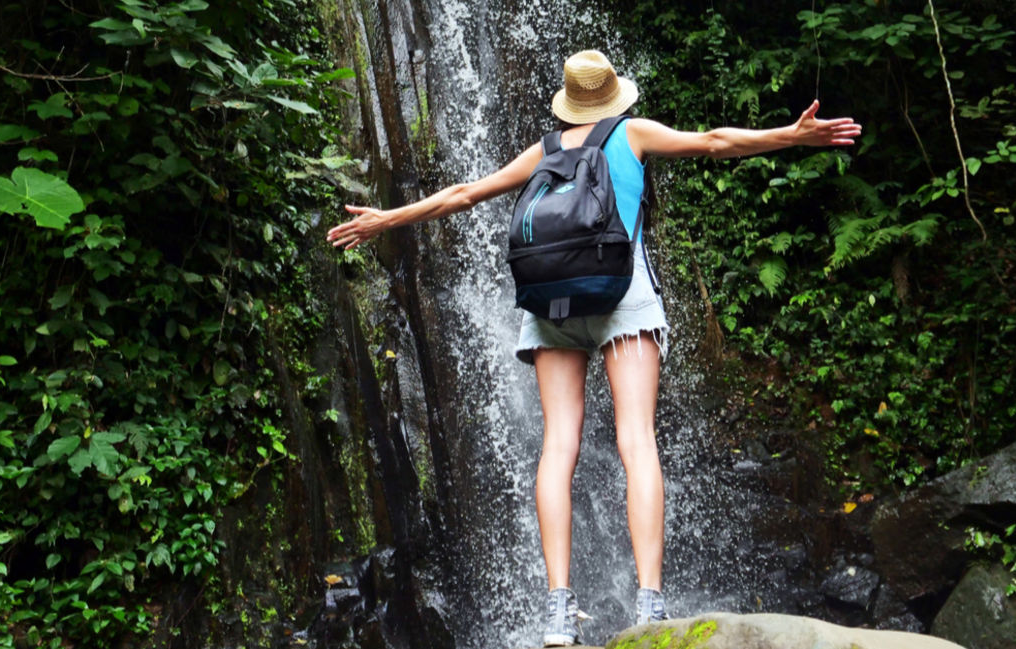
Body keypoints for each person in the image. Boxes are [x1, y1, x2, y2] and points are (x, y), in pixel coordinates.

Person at [327, 49, 861, 647]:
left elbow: (463, 194)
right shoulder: (632, 132)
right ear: (613, 94)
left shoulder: (546, 151)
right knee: (637, 439)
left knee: (558, 446)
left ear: (568, 100)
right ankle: (650, 605)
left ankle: (558, 611)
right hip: (623, 299)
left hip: (552, 303)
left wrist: (385, 219)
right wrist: (791, 135)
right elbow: (715, 141)